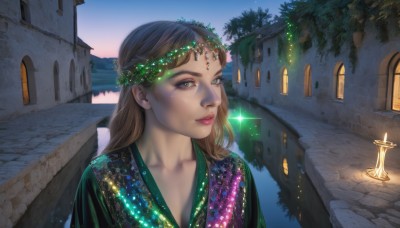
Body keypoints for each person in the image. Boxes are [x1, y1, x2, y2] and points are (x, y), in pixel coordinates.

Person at [71, 20, 265, 227]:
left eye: (216, 80)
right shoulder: (102, 180)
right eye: (187, 83)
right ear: (143, 95)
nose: (214, 99)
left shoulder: (234, 173)